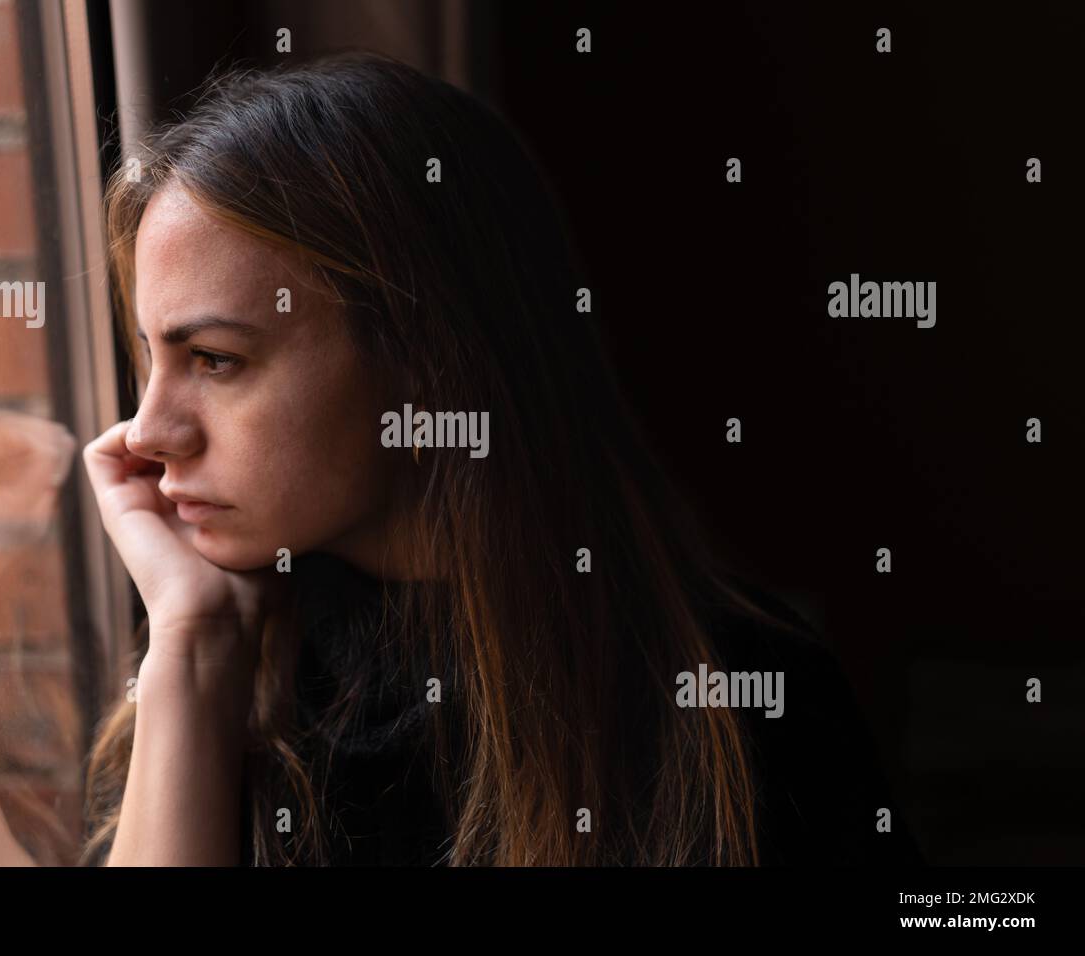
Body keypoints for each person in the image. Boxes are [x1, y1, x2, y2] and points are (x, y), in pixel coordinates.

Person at [78, 50, 924, 866]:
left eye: (216, 359)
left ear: (422, 354)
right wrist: (192, 646)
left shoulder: (736, 702)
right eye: (151, 358)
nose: (147, 432)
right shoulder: (226, 681)